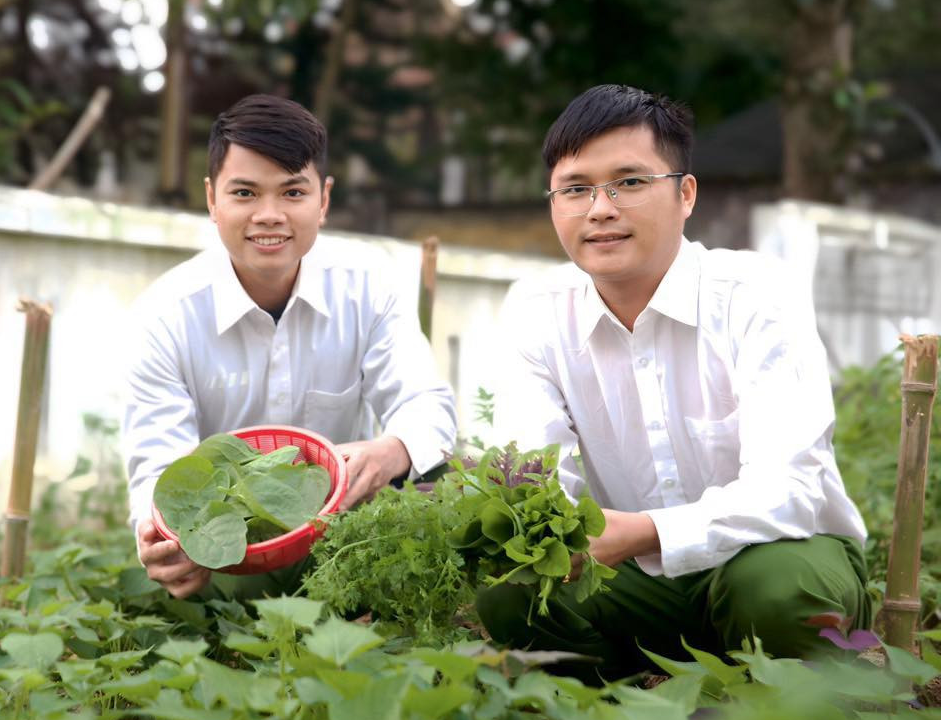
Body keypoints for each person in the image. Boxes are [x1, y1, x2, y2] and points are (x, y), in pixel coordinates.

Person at [479, 84, 870, 681]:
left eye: (629, 183)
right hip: (630, 580)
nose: (600, 209)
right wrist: (556, 534)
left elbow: (788, 490)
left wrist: (643, 531)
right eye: (576, 188)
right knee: (513, 590)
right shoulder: (535, 310)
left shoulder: (756, 293)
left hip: (779, 555)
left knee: (774, 592)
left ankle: (790, 713)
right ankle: (610, 712)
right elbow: (537, 485)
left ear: (685, 194)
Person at [122, 94, 457, 600]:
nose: (269, 215)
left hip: (346, 541)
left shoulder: (368, 288)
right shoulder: (164, 315)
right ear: (212, 199)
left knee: (453, 473)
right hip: (226, 556)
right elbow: (157, 466)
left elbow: (425, 402)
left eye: (292, 193)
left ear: (323, 200)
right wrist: (164, 537)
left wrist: (393, 449)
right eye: (245, 193)